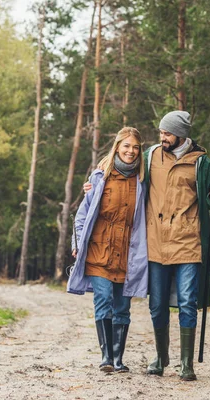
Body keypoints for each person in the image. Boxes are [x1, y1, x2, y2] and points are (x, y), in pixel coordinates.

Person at [85, 111, 210, 381]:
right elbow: (122, 174)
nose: (162, 137)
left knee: (187, 302)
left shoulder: (202, 163)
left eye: (167, 134)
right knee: (157, 304)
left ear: (181, 135)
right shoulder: (149, 157)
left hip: (187, 243)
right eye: (161, 132)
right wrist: (95, 186)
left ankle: (186, 364)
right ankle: (161, 357)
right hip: (155, 242)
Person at [67, 127, 148, 374]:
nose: (131, 152)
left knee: (122, 306)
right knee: (103, 300)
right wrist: (77, 244)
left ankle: (119, 359)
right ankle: (106, 358)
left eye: (135, 147)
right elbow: (82, 216)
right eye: (126, 146)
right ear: (117, 147)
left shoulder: (143, 181)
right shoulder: (99, 178)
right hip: (98, 251)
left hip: (127, 254)